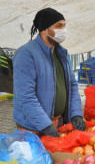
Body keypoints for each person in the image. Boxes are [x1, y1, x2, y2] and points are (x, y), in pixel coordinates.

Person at [13, 8, 86, 137]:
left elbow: (72, 85)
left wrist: (76, 114)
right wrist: (45, 125)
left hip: (59, 123)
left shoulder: (62, 53)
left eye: (64, 26)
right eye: (58, 26)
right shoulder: (26, 54)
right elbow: (25, 96)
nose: (63, 30)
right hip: (33, 128)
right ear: (44, 30)